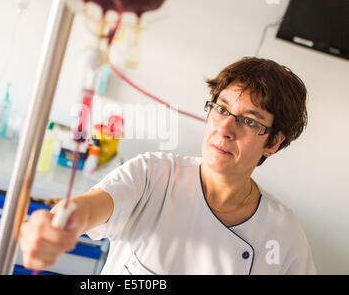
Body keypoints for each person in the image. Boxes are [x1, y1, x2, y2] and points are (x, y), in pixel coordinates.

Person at [19, 57, 317, 274]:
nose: (224, 128)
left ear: (274, 142)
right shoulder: (154, 174)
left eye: (250, 121)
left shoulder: (282, 232)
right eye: (222, 109)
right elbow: (90, 207)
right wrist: (58, 225)